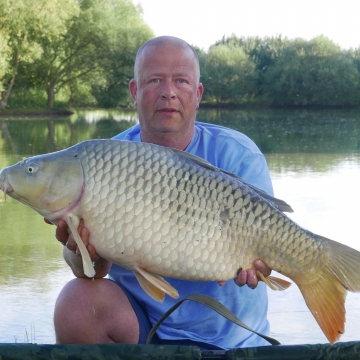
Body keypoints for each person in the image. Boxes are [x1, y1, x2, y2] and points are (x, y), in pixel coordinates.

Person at [52, 36, 273, 350]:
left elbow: (266, 250)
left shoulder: (239, 156)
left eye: (181, 81)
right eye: (155, 80)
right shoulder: (101, 162)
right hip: (143, 327)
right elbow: (90, 272)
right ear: (135, 91)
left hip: (232, 337)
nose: (169, 92)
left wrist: (262, 262)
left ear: (197, 94)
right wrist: (79, 249)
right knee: (76, 302)